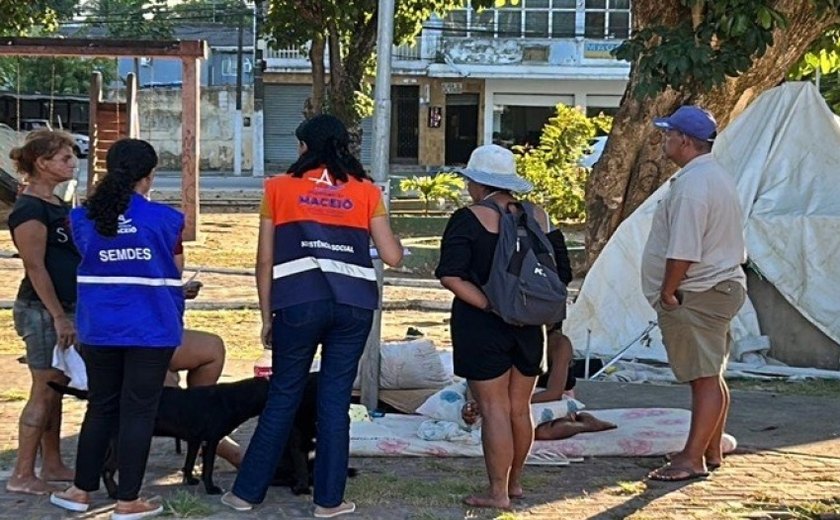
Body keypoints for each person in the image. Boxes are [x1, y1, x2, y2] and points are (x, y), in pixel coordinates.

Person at [221, 114, 403, 518]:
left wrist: (267, 315)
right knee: (335, 403)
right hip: (354, 307)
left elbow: (264, 259)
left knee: (283, 397)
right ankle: (329, 501)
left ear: (305, 147)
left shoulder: (278, 189)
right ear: (343, 148)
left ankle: (245, 495)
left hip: (297, 304)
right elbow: (391, 256)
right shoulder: (367, 192)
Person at [50, 139, 186, 519]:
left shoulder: (80, 218)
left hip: (99, 327)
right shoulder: (167, 219)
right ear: (150, 175)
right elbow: (174, 271)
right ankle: (128, 500)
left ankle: (80, 490)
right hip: (150, 327)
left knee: (101, 407)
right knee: (138, 412)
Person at [435, 144, 563, 510]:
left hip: (482, 324)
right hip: (529, 324)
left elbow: (450, 274)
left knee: (493, 409)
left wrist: (490, 304)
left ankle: (497, 492)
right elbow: (561, 271)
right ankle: (517, 482)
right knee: (519, 408)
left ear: (477, 182)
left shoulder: (468, 217)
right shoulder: (538, 216)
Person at [642, 106, 746, 482]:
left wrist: (669, 291)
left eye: (668, 134)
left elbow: (683, 249)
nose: (664, 140)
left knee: (702, 377)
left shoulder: (693, 185)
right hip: (719, 286)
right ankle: (709, 448)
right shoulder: (713, 175)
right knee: (711, 373)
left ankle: (691, 459)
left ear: (684, 140)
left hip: (699, 291)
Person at [6, 130, 79, 495]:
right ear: (42, 163)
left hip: (63, 307)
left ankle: (51, 462)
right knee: (43, 390)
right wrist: (58, 315)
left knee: (57, 386)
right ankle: (22, 473)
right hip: (43, 309)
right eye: (65, 158)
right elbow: (35, 267)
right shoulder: (30, 209)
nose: (72, 164)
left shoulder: (55, 203)